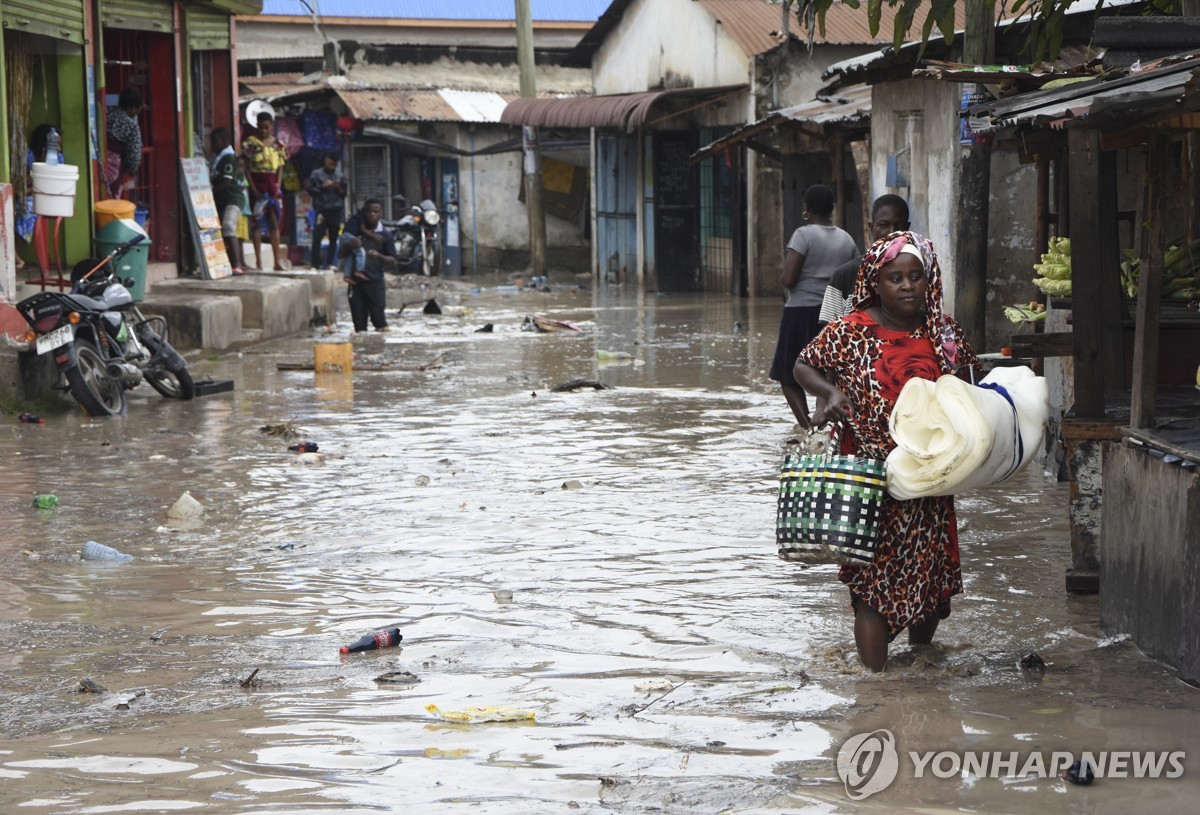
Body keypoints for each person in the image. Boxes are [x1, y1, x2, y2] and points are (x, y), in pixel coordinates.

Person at [793, 231, 979, 673]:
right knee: (873, 587)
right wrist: (830, 393)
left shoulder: (943, 333)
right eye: (895, 278)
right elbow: (802, 365)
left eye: (916, 277)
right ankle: (875, 690)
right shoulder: (850, 330)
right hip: (871, 481)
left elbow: (971, 385)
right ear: (877, 282)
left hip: (932, 479)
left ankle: (919, 668)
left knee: (931, 582)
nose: (907, 286)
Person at [770, 184, 859, 429]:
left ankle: (808, 426)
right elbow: (855, 275)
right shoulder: (846, 238)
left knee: (787, 373)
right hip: (834, 313)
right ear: (832, 208)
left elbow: (788, 279)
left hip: (800, 311)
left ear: (806, 209)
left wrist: (782, 278)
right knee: (827, 369)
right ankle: (825, 420)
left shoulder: (802, 235)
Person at [818, 195, 911, 326]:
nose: (892, 233)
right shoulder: (845, 275)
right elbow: (827, 335)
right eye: (884, 225)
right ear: (871, 227)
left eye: (899, 226)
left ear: (907, 228)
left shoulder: (919, 274)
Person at [339, 199, 396, 333]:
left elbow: (393, 259)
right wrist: (349, 246)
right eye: (369, 211)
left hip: (375, 283)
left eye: (375, 212)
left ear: (381, 214)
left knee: (380, 322)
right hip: (355, 284)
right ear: (364, 213)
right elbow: (340, 255)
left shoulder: (385, 235)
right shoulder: (353, 232)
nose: (372, 214)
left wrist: (379, 256)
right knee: (359, 326)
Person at [242, 112, 288, 271]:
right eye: (260, 128)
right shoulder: (250, 144)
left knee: (274, 222)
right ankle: (258, 262)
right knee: (256, 224)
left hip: (272, 185)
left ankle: (277, 262)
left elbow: (281, 167)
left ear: (272, 127)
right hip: (257, 184)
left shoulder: (279, 145)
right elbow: (246, 167)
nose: (263, 131)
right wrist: (252, 187)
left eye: (266, 128)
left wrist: (278, 186)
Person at [209, 127, 246, 275]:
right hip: (221, 200)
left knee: (228, 226)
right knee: (219, 230)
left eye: (214, 141)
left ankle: (237, 264)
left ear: (224, 142)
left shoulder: (228, 158)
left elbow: (226, 182)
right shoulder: (217, 159)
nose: (212, 145)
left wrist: (210, 193)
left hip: (232, 198)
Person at [306, 152, 347, 270]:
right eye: (330, 163)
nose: (332, 165)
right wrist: (323, 186)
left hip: (336, 210)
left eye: (334, 164)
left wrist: (337, 187)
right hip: (321, 210)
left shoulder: (340, 176)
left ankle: (330, 263)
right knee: (317, 237)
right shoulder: (316, 174)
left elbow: (344, 194)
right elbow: (310, 190)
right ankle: (315, 264)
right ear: (326, 160)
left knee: (334, 238)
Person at [105, 88, 143, 200]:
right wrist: (131, 171)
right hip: (116, 168)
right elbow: (134, 155)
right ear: (134, 109)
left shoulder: (105, 117)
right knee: (113, 200)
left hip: (99, 163)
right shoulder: (132, 127)